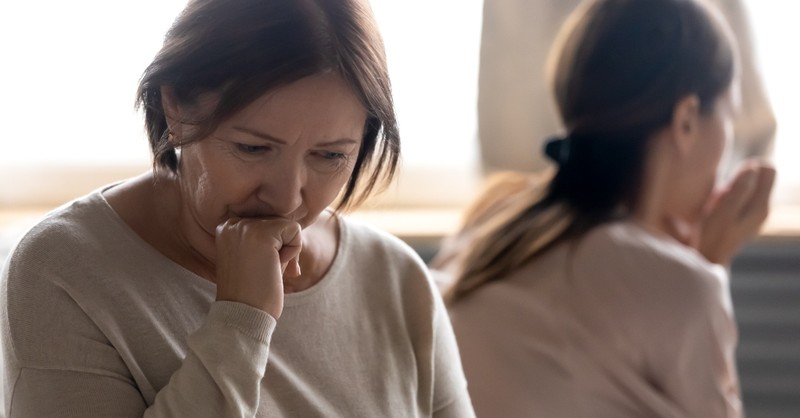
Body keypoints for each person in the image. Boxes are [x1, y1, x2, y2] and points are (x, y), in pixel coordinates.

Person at [0, 0, 475, 416]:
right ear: (175, 108)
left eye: (330, 156)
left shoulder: (393, 277)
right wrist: (242, 321)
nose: (288, 199)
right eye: (253, 149)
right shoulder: (63, 269)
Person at [432, 0, 776, 416]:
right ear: (686, 120)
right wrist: (711, 264)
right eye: (729, 114)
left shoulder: (491, 219)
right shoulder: (681, 287)